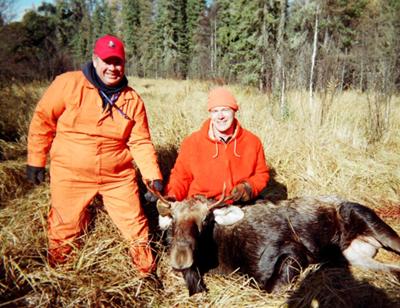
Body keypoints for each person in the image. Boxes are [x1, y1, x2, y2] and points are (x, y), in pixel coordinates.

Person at [26, 34, 163, 277]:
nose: (112, 68)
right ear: (95, 59)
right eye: (107, 61)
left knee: (135, 225)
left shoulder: (132, 100)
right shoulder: (68, 84)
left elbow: (140, 141)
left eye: (118, 62)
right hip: (71, 174)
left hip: (117, 176)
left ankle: (146, 274)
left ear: (124, 64)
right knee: (64, 226)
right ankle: (60, 275)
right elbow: (43, 121)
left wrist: (152, 177)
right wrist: (36, 159)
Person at [163, 87, 269, 203]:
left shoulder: (252, 141)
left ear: (234, 111)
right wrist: (171, 197)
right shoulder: (192, 142)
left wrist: (248, 187)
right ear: (210, 113)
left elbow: (261, 174)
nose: (220, 116)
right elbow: (180, 177)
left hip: (240, 204)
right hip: (202, 205)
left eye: (225, 110)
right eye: (215, 111)